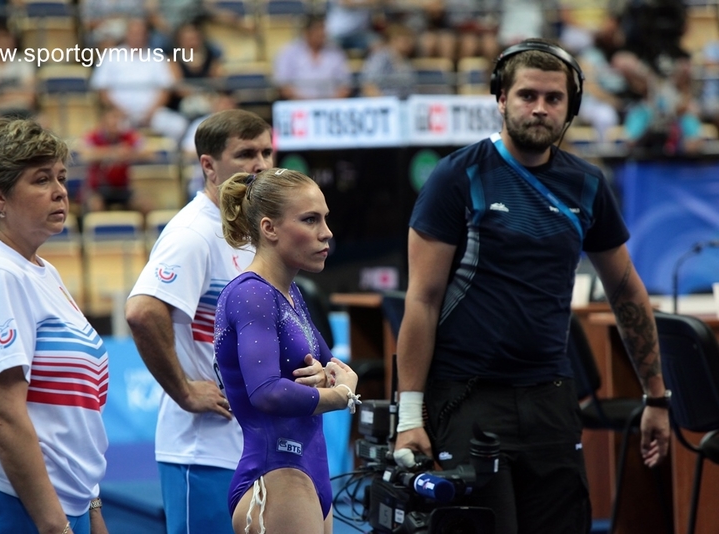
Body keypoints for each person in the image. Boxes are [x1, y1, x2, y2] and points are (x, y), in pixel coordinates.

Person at [393, 38, 671, 534]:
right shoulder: (458, 176)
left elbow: (627, 292)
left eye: (553, 98)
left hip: (551, 397)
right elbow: (422, 299)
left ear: (570, 108)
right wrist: (409, 415)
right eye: (527, 95)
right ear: (502, 99)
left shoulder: (587, 184)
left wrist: (656, 397)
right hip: (468, 396)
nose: (540, 108)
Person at [124, 109, 325, 534]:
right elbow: (142, 312)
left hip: (256, 445)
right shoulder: (193, 232)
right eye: (246, 154)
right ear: (208, 166)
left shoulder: (256, 236)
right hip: (203, 448)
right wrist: (184, 390)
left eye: (267, 152)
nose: (261, 164)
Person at [0, 117, 109, 534]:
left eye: (61, 177)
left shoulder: (41, 270)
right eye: (41, 179)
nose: (60, 191)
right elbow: (2, 416)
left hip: (62, 501)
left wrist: (91, 507)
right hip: (11, 500)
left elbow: (72, 415)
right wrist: (55, 526)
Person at [214, 168, 360, 534]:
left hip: (308, 473)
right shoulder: (252, 294)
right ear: (269, 228)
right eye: (310, 220)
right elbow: (266, 391)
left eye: (324, 218)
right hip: (277, 475)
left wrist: (329, 377)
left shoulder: (289, 292)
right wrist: (337, 395)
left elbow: (332, 366)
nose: (326, 232)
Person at [272, 14, 353, 101]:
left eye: (323, 29)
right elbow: (282, 86)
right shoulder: (289, 53)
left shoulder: (336, 52)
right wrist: (307, 102)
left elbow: (345, 85)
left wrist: (329, 103)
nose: (321, 33)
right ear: (306, 32)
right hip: (297, 104)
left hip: (331, 103)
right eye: (317, 29)